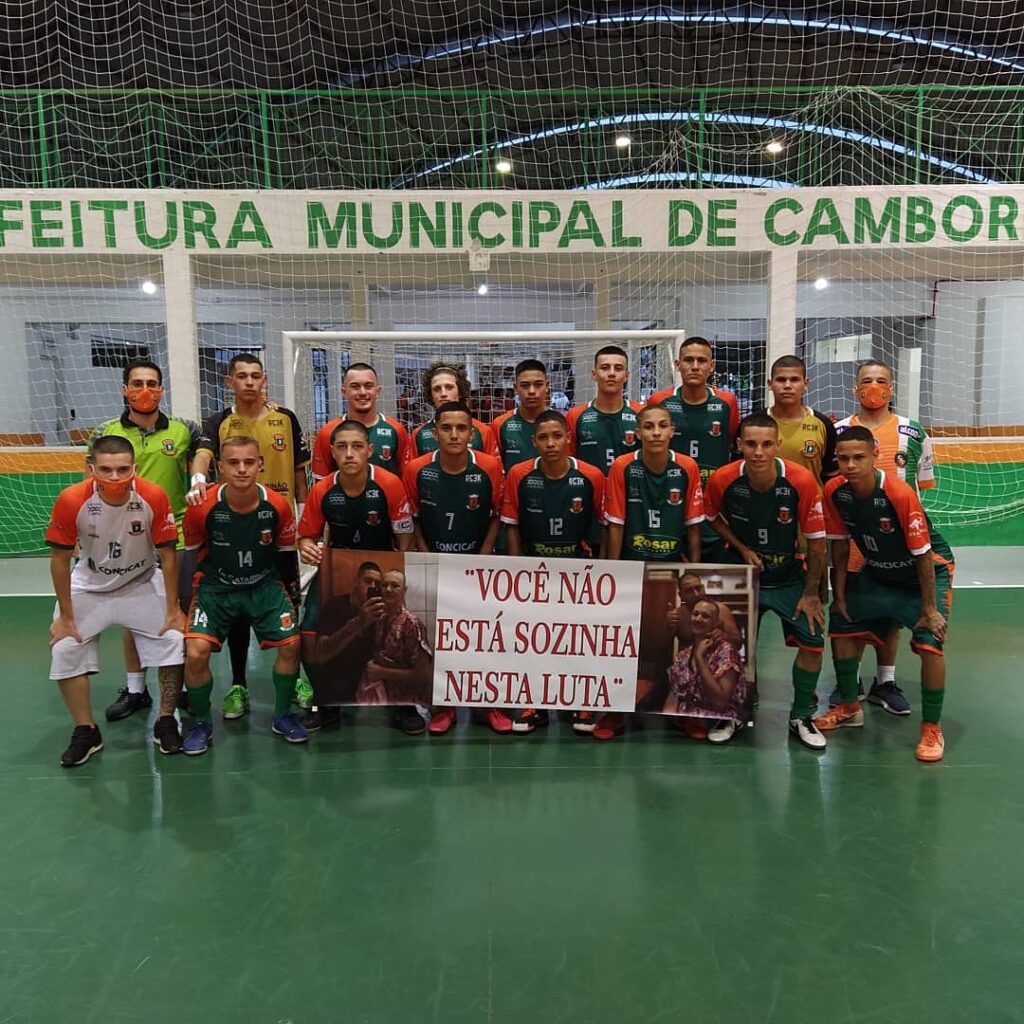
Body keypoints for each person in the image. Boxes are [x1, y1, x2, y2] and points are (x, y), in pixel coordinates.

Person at [813, 427, 953, 762]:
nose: (850, 465)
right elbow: (840, 547)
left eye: (858, 457)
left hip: (924, 575)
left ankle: (931, 728)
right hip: (878, 570)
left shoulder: (899, 493)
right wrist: (841, 595)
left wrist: (930, 608)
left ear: (875, 455)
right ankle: (849, 707)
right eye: (843, 458)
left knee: (930, 645)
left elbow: (923, 553)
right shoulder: (835, 491)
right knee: (841, 627)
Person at [45, 435, 186, 766]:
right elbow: (60, 560)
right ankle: (86, 731)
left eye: (123, 470)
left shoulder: (152, 495)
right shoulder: (71, 499)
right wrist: (65, 616)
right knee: (65, 648)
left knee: (174, 639)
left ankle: (166, 719)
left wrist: (172, 608)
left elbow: (167, 555)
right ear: (91, 468)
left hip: (140, 581)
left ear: (134, 468)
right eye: (105, 470)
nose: (114, 477)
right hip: (90, 585)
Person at [188, 353, 311, 719]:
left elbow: (300, 472)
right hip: (235, 521)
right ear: (230, 382)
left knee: (288, 604)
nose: (249, 382)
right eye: (241, 376)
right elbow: (204, 453)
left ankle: (296, 680)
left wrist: (304, 515)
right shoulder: (220, 421)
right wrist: (197, 479)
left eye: (255, 376)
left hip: (277, 521)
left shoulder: (284, 418)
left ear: (265, 380)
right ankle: (238, 683)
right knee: (238, 611)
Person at [704, 412, 829, 748]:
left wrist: (812, 593)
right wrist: (742, 548)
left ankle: (801, 715)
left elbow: (818, 542)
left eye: (766, 444)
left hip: (789, 577)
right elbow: (711, 516)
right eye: (751, 444)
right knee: (729, 644)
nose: (758, 452)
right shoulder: (722, 479)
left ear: (777, 445)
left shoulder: (801, 481)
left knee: (813, 641)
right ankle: (731, 712)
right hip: (744, 577)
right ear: (739, 445)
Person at [87, 358, 200, 722]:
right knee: (130, 614)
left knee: (177, 611)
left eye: (152, 383)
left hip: (175, 533)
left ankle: (179, 687)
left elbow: (207, 444)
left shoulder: (183, 430)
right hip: (125, 536)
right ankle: (136, 689)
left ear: (162, 389)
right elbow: (92, 485)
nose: (145, 391)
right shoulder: (105, 432)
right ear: (125, 389)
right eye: (137, 383)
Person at [180, 436, 305, 754]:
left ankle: (282, 715)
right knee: (195, 653)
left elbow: (286, 554)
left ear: (260, 464)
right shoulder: (200, 507)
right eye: (233, 463)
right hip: (216, 588)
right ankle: (202, 723)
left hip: (264, 586)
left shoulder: (277, 505)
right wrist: (181, 605)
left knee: (291, 645)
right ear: (220, 467)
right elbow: (189, 556)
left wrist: (292, 593)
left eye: (249, 462)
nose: (241, 469)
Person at [297, 419, 421, 735]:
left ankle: (403, 706)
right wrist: (308, 547)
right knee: (308, 633)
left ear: (369, 450)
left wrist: (395, 573)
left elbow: (404, 537)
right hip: (340, 567)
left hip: (383, 566)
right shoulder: (322, 489)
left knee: (403, 631)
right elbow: (306, 536)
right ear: (332, 453)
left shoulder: (390, 484)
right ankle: (326, 702)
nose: (350, 453)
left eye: (356, 446)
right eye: (342, 447)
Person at [828, 359, 937, 714]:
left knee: (890, 617)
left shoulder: (913, 430)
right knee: (855, 612)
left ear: (891, 387)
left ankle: (885, 681)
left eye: (881, 381)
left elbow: (921, 486)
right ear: (855, 387)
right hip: (858, 537)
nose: (873, 387)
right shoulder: (841, 430)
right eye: (866, 381)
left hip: (897, 540)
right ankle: (851, 681)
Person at [598, 403, 705, 741]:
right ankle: (614, 711)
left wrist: (697, 572)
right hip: (632, 567)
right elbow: (615, 524)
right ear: (638, 433)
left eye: (663, 426)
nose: (656, 432)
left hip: (671, 570)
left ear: (672, 431)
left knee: (676, 641)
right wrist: (614, 574)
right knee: (624, 641)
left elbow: (693, 527)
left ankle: (683, 711)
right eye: (649, 427)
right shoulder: (622, 467)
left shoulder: (687, 467)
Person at [403, 401, 510, 735]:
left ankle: (488, 703)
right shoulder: (417, 469)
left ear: (472, 432)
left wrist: (486, 551)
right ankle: (444, 705)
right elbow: (414, 517)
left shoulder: (491, 466)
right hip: (435, 562)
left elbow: (496, 514)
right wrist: (424, 552)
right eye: (446, 428)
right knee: (439, 638)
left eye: (461, 428)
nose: (454, 434)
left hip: (477, 564)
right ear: (435, 433)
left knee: (482, 636)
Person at [500, 409, 607, 734]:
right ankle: (535, 704)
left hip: (578, 570)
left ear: (568, 438)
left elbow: (601, 527)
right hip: (535, 569)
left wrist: (600, 572)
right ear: (533, 441)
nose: (550, 443)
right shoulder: (519, 474)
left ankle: (581, 702)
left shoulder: (591, 476)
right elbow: (512, 526)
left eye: (556, 436)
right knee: (536, 639)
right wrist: (519, 570)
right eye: (543, 437)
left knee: (578, 638)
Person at [645, 336, 740, 560]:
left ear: (711, 365)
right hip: (670, 497)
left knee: (711, 575)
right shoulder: (660, 400)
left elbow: (732, 443)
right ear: (677, 365)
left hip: (712, 501)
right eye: (688, 360)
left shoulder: (727, 402)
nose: (695, 366)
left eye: (701, 360)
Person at [311, 362, 411, 479]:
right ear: (344, 392)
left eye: (368, 386)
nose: (362, 392)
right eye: (355, 387)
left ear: (377, 391)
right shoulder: (327, 432)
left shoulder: (396, 430)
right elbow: (321, 484)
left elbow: (405, 479)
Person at [663, 599, 747, 723]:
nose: (698, 619)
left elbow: (720, 702)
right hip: (683, 726)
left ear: (716, 623)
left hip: (716, 726)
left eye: (705, 616)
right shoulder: (683, 656)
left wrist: (699, 658)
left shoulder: (726, 652)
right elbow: (674, 697)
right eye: (695, 614)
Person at [357, 569, 432, 707]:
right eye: (384, 585)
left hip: (408, 705)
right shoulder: (379, 619)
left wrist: (383, 673)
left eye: (395, 585)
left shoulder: (412, 624)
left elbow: (424, 675)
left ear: (404, 590)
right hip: (382, 700)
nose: (388, 589)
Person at [565, 345, 641, 475]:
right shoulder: (575, 416)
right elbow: (568, 462)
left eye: (618, 368)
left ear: (626, 375)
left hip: (629, 492)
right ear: (594, 374)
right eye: (605, 368)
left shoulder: (641, 413)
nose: (611, 373)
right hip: (590, 492)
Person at [411, 361, 500, 459]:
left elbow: (492, 470)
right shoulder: (418, 434)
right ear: (431, 395)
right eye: (437, 389)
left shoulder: (483, 431)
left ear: (460, 391)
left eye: (449, 387)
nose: (443, 393)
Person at [490, 358, 550, 471]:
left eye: (538, 384)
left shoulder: (561, 422)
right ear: (516, 388)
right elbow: (496, 468)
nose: (532, 391)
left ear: (547, 385)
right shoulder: (500, 424)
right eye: (525, 385)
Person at [666, 572, 742, 649]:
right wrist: (667, 628)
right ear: (681, 595)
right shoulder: (677, 616)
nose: (696, 594)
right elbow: (662, 649)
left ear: (703, 588)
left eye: (698, 588)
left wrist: (724, 636)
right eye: (689, 591)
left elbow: (738, 643)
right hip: (688, 660)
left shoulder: (721, 610)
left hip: (718, 659)